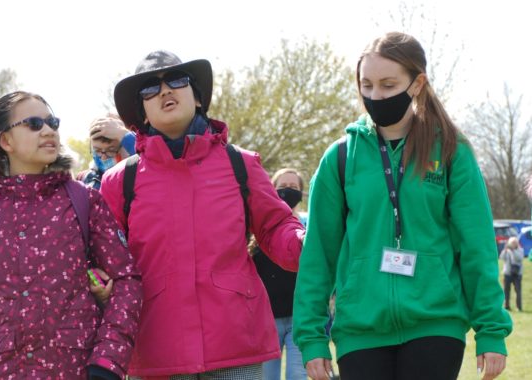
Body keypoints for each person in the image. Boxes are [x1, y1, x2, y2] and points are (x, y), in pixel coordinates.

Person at [293, 32, 512, 380]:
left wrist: (490, 329)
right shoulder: (339, 158)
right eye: (366, 85)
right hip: (359, 330)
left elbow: (477, 246)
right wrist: (311, 338)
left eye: (387, 84)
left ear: (417, 83)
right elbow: (319, 254)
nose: (375, 95)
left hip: (436, 325)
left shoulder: (453, 152)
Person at [99, 51, 305, 379]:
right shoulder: (119, 180)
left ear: (197, 98)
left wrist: (307, 243)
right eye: (150, 88)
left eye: (177, 81)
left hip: (236, 345)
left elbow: (276, 227)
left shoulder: (242, 163)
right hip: (154, 350)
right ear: (143, 114)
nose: (165, 90)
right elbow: (105, 259)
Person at [0, 91, 142, 380]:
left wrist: (107, 361)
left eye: (51, 122)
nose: (48, 130)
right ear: (6, 141)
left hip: (74, 369)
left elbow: (127, 280)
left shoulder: (84, 200)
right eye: (33, 123)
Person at [252, 168, 307, 380]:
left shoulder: (309, 226)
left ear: (301, 193)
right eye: (282, 186)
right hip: (267, 322)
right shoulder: (260, 228)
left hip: (299, 317)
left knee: (296, 375)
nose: (288, 191)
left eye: (294, 187)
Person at [77, 114, 136, 189]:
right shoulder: (83, 179)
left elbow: (148, 159)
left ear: (124, 148)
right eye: (97, 150)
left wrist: (124, 134)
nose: (103, 158)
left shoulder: (135, 174)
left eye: (111, 151)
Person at [500, 237, 524, 311]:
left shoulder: (520, 250)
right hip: (508, 273)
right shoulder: (507, 250)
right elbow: (501, 257)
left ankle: (519, 307)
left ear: (517, 243)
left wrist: (513, 251)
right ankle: (506, 306)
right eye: (512, 243)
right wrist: (505, 250)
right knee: (506, 290)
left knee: (518, 291)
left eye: (514, 243)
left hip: (517, 274)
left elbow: (518, 258)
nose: (513, 244)